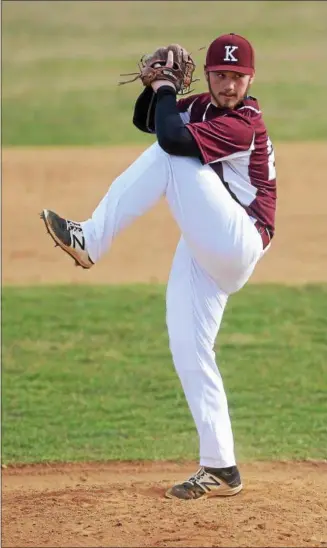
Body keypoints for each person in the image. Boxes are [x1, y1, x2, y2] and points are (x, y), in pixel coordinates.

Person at [41, 33, 277, 500]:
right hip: (206, 244)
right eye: (222, 75)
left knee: (170, 157)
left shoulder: (245, 124)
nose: (229, 86)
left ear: (251, 80)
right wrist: (155, 88)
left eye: (238, 77)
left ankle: (92, 238)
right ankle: (221, 466)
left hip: (238, 240)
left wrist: (167, 90)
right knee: (188, 346)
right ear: (209, 75)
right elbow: (146, 121)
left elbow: (169, 138)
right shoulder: (204, 108)